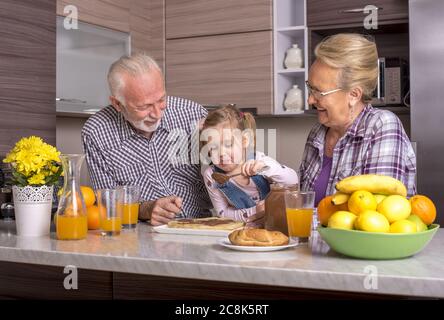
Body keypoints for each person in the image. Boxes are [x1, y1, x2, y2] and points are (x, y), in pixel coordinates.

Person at [82, 53, 212, 225]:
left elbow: (228, 171)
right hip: (144, 234)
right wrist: (146, 209)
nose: (157, 114)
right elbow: (109, 204)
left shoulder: (193, 114)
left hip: (203, 225)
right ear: (117, 104)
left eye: (161, 100)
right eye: (144, 106)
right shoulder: (96, 132)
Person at [299, 33, 416, 206]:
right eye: (310, 88)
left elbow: (374, 214)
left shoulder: (382, 126)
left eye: (319, 92)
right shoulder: (318, 132)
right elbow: (303, 207)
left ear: (353, 95)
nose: (310, 100)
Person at [201, 105, 298, 226]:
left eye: (228, 144)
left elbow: (293, 181)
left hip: (272, 226)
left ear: (244, 141)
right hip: (240, 229)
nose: (221, 153)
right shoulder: (212, 175)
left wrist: (265, 168)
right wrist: (254, 211)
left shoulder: (259, 160)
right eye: (213, 147)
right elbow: (222, 213)